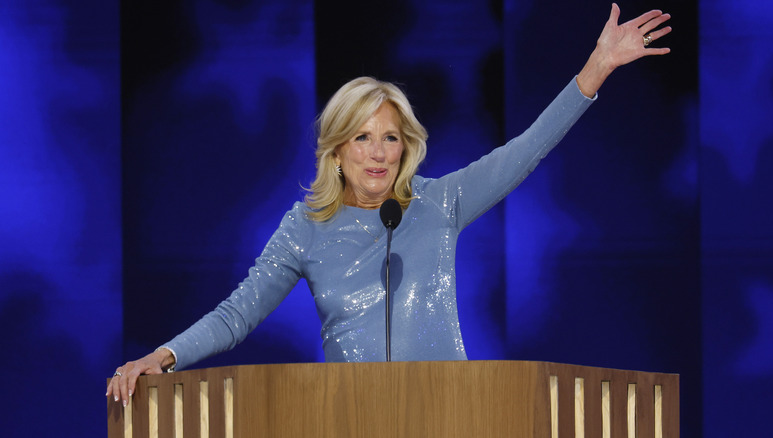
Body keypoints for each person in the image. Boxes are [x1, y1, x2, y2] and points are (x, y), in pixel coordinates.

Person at [107, 3, 671, 406]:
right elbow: (237, 314)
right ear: (336, 148)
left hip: (455, 412)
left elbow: (525, 151)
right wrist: (164, 355)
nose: (378, 154)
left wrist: (596, 68)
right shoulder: (305, 227)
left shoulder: (438, 201)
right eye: (362, 137)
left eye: (391, 138)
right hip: (353, 416)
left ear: (408, 146)